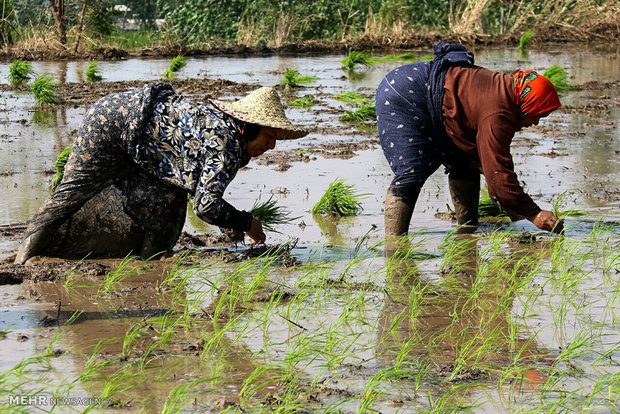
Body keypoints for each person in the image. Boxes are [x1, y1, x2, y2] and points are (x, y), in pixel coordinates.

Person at [15, 85, 308, 264]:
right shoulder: (226, 144)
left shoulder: (227, 133)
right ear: (247, 125)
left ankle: (145, 263)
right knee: (71, 195)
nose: (271, 145)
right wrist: (247, 223)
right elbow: (206, 207)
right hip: (112, 122)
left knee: (168, 203)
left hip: (140, 135)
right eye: (268, 135)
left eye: (276, 140)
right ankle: (23, 259)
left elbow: (199, 188)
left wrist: (230, 225)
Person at [376, 42, 564, 239]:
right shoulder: (499, 113)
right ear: (528, 103)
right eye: (538, 115)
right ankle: (395, 244)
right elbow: (498, 171)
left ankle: (467, 231)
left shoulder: (505, 93)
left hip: (429, 94)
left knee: (464, 159)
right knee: (412, 170)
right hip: (404, 94)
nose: (535, 123)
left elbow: (488, 164)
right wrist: (534, 214)